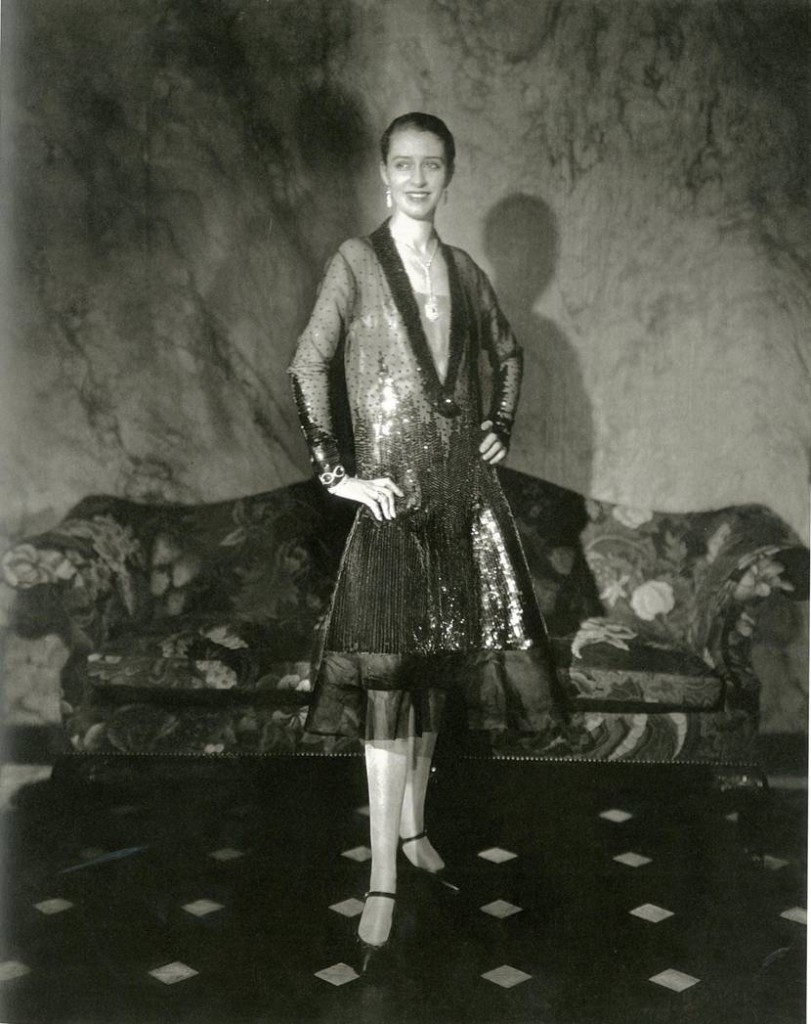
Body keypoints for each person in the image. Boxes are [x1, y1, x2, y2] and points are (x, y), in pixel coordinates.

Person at [287, 112, 567, 973]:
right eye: (402, 165)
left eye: (432, 166)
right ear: (383, 174)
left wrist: (498, 427)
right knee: (384, 684)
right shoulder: (354, 262)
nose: (416, 179)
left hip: (458, 505)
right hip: (389, 510)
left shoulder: (462, 269)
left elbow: (507, 355)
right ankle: (378, 880)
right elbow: (308, 364)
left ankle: (412, 833)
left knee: (435, 671)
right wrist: (337, 473)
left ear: (449, 176)